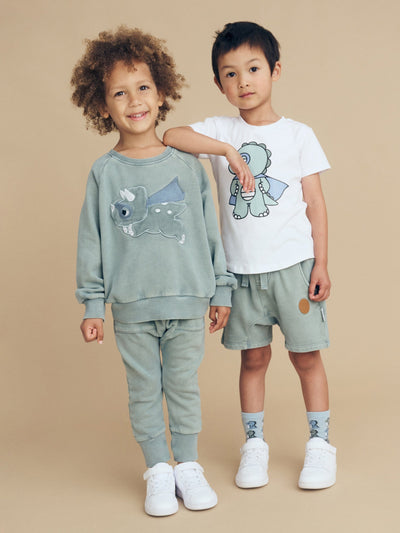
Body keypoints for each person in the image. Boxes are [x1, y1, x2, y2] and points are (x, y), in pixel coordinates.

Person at [164, 21, 336, 491]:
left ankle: (320, 444)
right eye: (231, 74)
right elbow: (172, 135)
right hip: (241, 275)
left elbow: (315, 203)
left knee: (306, 358)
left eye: (253, 69)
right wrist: (225, 150)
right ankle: (254, 445)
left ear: (275, 71)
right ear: (219, 83)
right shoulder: (220, 130)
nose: (243, 81)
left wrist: (321, 263)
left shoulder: (298, 135)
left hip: (294, 270)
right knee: (254, 360)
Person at [71, 26, 236, 516]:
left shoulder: (187, 165)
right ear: (102, 106)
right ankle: (158, 470)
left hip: (188, 301)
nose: (134, 100)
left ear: (161, 93)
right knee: (144, 390)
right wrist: (93, 304)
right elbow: (91, 241)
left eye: (143, 87)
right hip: (131, 307)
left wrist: (221, 289)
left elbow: (211, 232)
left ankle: (188, 465)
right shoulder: (104, 173)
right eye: (119, 93)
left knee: (183, 386)